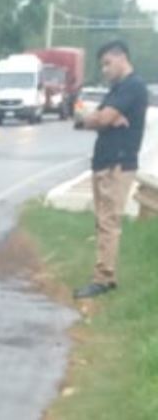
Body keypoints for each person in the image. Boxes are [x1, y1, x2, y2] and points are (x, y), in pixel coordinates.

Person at [73, 40, 149, 299]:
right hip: (104, 160)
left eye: (107, 63)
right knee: (103, 220)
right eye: (102, 64)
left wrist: (97, 119)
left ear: (121, 58)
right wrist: (99, 118)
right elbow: (101, 117)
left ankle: (103, 279)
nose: (104, 69)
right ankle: (106, 275)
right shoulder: (117, 89)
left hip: (118, 161)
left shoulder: (133, 86)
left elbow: (102, 118)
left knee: (109, 221)